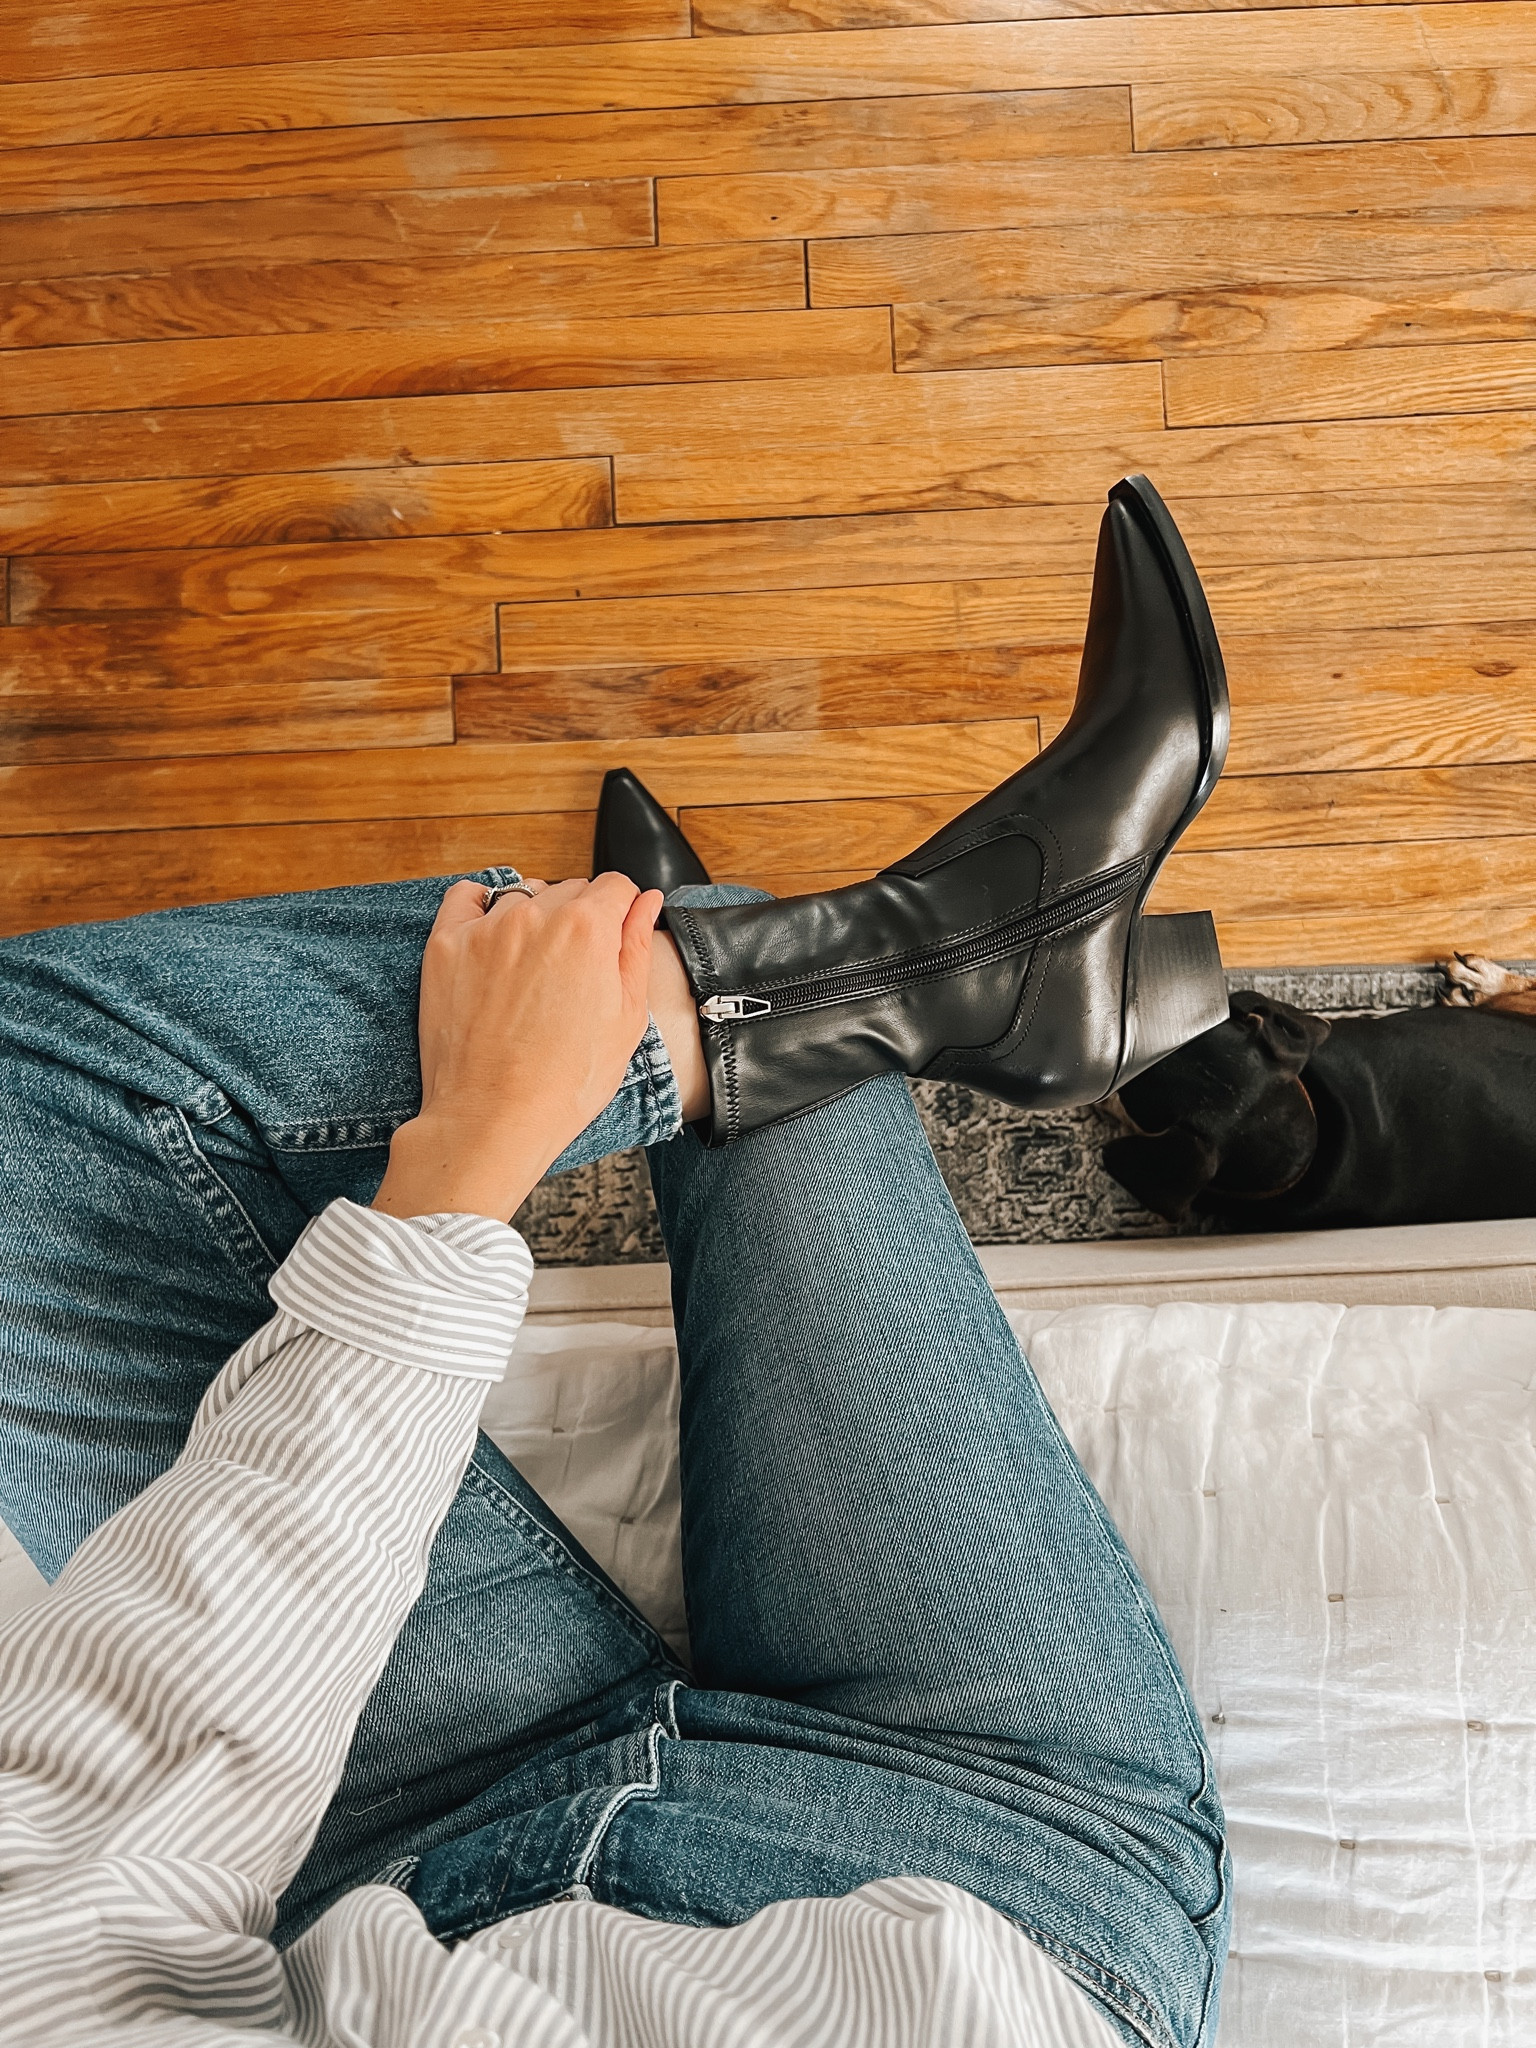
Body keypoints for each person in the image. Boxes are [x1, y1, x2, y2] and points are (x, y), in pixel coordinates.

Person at [0, 477, 1231, 2048]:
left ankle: (800, 986)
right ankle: (788, 982)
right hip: (984, 1869)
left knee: (26, 1098)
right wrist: (478, 1148)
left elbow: (69, 1896)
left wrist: (468, 1165)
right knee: (704, 976)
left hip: (401, 1852)